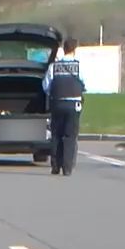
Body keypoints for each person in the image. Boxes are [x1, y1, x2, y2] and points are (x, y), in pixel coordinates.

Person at [42, 38, 86, 176]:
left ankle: (55, 166)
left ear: (64, 49)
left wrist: (54, 94)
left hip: (57, 103)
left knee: (56, 135)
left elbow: (45, 86)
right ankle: (67, 168)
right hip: (73, 104)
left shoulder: (53, 67)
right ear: (74, 50)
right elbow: (85, 84)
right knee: (70, 136)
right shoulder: (79, 67)